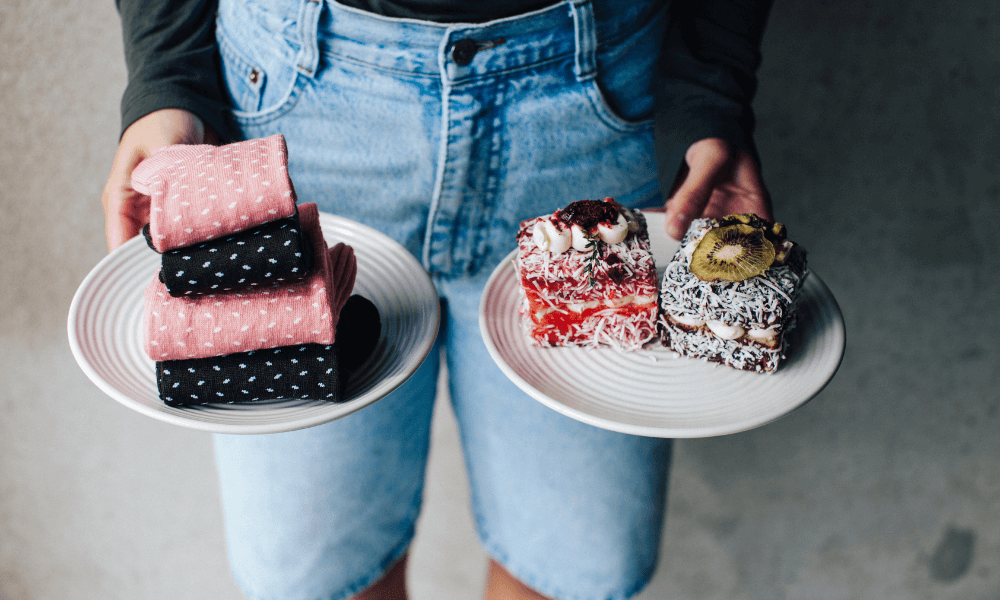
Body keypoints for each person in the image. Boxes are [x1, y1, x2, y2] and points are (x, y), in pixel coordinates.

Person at [102, 0, 773, 598]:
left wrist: (709, 84)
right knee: (317, 576)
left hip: (595, 113)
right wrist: (169, 74)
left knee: (574, 569)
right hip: (301, 120)